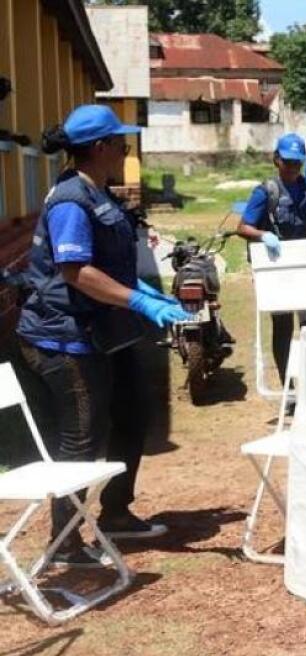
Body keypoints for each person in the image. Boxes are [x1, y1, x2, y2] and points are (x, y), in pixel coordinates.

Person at [17, 105, 193, 566]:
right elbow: (77, 272)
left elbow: (111, 262)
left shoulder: (100, 193)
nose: (126, 149)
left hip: (103, 331)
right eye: (121, 142)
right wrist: (139, 301)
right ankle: (65, 543)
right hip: (64, 337)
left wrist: (145, 294)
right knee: (81, 438)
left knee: (133, 415)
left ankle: (116, 511)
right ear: (100, 148)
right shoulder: (72, 200)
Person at [237, 133, 306, 386]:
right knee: (282, 328)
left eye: (297, 163)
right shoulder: (265, 191)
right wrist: (263, 234)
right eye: (288, 162)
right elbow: (243, 227)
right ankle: (287, 387)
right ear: (276, 160)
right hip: (278, 266)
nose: (292, 168)